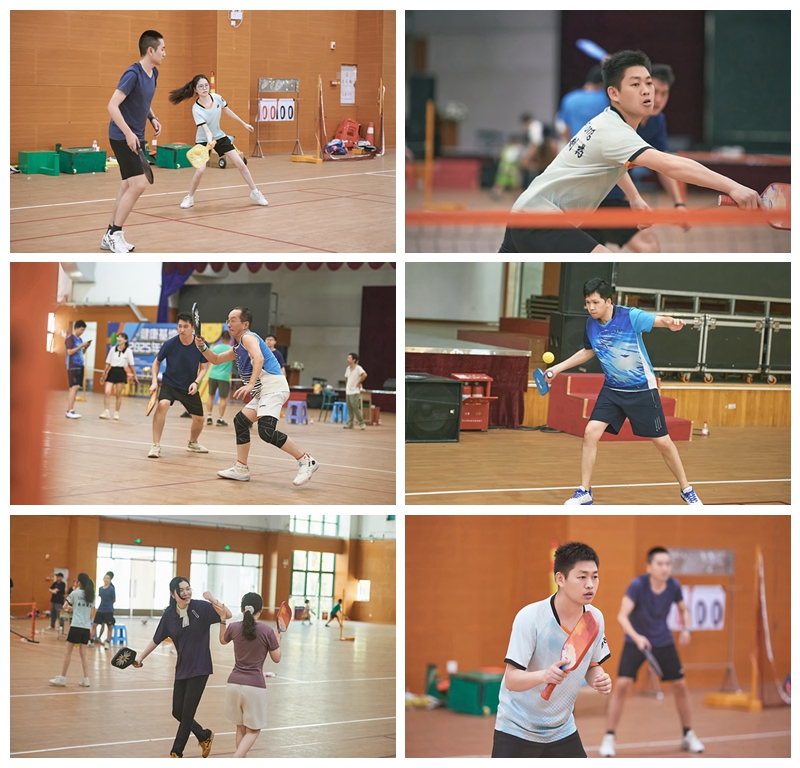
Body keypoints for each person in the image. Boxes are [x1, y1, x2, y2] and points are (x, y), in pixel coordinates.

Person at [498, 49, 763, 253]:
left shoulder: (609, 123)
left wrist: (634, 198)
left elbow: (616, 164)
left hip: (526, 211)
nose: (647, 91)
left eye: (648, 83)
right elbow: (671, 165)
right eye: (636, 85)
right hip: (541, 217)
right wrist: (733, 187)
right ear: (614, 93)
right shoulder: (615, 132)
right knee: (603, 258)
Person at [545, 277, 703, 506]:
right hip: (612, 390)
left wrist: (670, 322)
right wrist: (557, 368)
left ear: (608, 301)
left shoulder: (630, 316)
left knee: (663, 442)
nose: (590, 307)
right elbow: (588, 351)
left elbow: (657, 320)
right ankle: (584, 491)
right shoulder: (591, 324)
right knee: (591, 432)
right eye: (587, 302)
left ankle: (686, 489)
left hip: (642, 390)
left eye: (595, 302)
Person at [492, 542, 611, 758]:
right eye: (582, 577)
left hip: (561, 729)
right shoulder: (530, 618)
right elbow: (511, 680)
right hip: (518, 727)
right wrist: (544, 675)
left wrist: (598, 678)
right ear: (560, 579)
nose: (590, 584)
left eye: (595, 577)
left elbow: (592, 665)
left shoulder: (594, 618)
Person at [195, 306, 319, 485]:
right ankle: (241, 468)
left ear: (245, 324)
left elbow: (259, 358)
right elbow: (215, 359)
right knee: (240, 421)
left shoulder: (248, 337)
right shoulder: (238, 347)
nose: (229, 323)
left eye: (233, 320)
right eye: (228, 320)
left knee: (266, 431)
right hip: (263, 392)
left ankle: (306, 461)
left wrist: (251, 384)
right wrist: (202, 347)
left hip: (273, 387)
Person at [599, 547, 704, 756]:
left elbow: (684, 610)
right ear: (649, 567)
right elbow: (622, 616)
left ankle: (688, 733)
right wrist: (637, 637)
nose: (665, 568)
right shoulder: (638, 586)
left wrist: (687, 628)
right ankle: (609, 736)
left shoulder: (673, 586)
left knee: (680, 685)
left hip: (663, 640)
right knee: (622, 684)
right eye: (660, 564)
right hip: (635, 641)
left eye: (668, 564)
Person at [585, 63, 686, 253]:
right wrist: (634, 197)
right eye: (654, 91)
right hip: (589, 197)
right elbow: (612, 161)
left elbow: (665, 164)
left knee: (648, 248)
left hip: (614, 197)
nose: (657, 99)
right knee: (646, 248)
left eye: (664, 93)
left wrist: (679, 203)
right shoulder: (616, 117)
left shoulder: (657, 121)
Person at [132, 577, 231, 758]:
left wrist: (211, 599)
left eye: (188, 588)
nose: (186, 593)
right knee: (177, 711)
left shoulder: (201, 607)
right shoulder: (169, 615)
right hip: (182, 668)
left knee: (187, 714)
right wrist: (140, 657)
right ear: (173, 594)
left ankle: (176, 752)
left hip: (200, 667)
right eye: (181, 590)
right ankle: (204, 735)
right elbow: (156, 639)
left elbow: (228, 614)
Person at [103, 30, 165, 254]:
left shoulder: (153, 73)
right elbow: (112, 105)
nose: (164, 53)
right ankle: (114, 233)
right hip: (122, 136)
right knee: (138, 185)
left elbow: (143, 100)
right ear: (151, 50)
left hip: (137, 135)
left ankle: (109, 235)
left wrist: (152, 117)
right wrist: (129, 133)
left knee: (127, 186)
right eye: (162, 49)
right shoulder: (133, 74)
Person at [169, 74, 268, 209]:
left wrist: (244, 124)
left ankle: (255, 193)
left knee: (240, 163)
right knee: (200, 171)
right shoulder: (196, 109)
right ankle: (189, 197)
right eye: (201, 86)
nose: (204, 88)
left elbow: (228, 111)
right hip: (203, 141)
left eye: (206, 85)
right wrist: (209, 141)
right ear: (195, 89)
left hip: (219, 136)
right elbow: (206, 130)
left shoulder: (217, 98)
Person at [218, 592, 281, 758]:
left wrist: (222, 620)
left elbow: (222, 640)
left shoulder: (233, 627)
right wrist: (278, 640)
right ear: (260, 611)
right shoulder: (267, 631)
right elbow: (276, 658)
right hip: (254, 687)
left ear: (242, 609)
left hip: (233, 685)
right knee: (253, 731)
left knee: (240, 728)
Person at [148, 313, 210, 459]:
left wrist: (196, 382)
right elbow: (156, 362)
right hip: (170, 383)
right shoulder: (170, 344)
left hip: (189, 386)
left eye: (185, 326)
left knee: (199, 419)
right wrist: (154, 381)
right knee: (162, 405)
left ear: (192, 328)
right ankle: (155, 445)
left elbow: (203, 368)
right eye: (180, 326)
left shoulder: (200, 345)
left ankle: (192, 443)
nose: (182, 330)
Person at [49, 573, 95, 688]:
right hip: (86, 628)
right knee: (83, 654)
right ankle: (86, 679)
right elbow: (90, 613)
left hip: (76, 626)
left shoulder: (75, 593)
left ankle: (62, 678)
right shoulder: (91, 595)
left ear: (80, 582)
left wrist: (71, 608)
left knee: (67, 652)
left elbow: (64, 606)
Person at [99, 332, 139, 420]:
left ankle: (116, 413)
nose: (119, 339)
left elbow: (131, 364)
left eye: (121, 337)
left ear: (125, 340)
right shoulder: (113, 349)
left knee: (118, 394)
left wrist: (135, 375)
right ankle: (106, 411)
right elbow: (108, 362)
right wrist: (104, 373)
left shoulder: (128, 351)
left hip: (121, 372)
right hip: (112, 371)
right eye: (118, 337)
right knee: (107, 392)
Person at [205, 330, 233, 427]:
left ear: (221, 338)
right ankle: (220, 419)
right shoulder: (232, 350)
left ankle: (209, 417)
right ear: (230, 338)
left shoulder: (215, 348)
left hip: (212, 375)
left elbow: (208, 360)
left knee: (210, 396)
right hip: (224, 377)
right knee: (223, 398)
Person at [65, 320, 91, 419]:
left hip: (80, 365)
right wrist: (81, 345)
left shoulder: (79, 339)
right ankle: (70, 411)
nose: (82, 332)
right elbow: (69, 352)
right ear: (76, 328)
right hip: (73, 366)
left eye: (83, 330)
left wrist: (85, 347)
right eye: (81, 330)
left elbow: (81, 352)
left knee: (75, 388)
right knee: (74, 387)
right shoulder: (70, 339)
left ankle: (70, 410)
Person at [89, 571, 116, 648]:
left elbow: (114, 600)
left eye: (108, 578)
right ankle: (91, 640)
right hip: (100, 609)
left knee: (109, 626)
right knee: (94, 625)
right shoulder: (100, 589)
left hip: (108, 610)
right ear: (103, 579)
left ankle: (107, 641)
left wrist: (108, 605)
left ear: (110, 580)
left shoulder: (111, 589)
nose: (106, 579)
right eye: (105, 578)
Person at [343, 353, 368, 430]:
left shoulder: (358, 368)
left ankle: (362, 423)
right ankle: (350, 424)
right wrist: (347, 385)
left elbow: (364, 375)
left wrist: (359, 382)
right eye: (347, 358)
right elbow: (346, 377)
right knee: (350, 409)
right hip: (348, 391)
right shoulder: (348, 368)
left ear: (354, 360)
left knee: (356, 408)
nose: (347, 359)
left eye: (349, 358)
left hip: (355, 392)